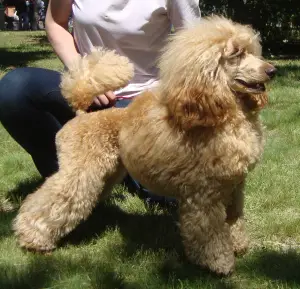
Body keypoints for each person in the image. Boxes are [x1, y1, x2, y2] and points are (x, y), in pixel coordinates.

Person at [0, 0, 201, 202]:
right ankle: (69, 185)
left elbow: (196, 50)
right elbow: (55, 22)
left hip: (143, 105)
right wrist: (83, 72)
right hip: (85, 91)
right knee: (14, 89)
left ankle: (114, 173)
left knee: (167, 196)